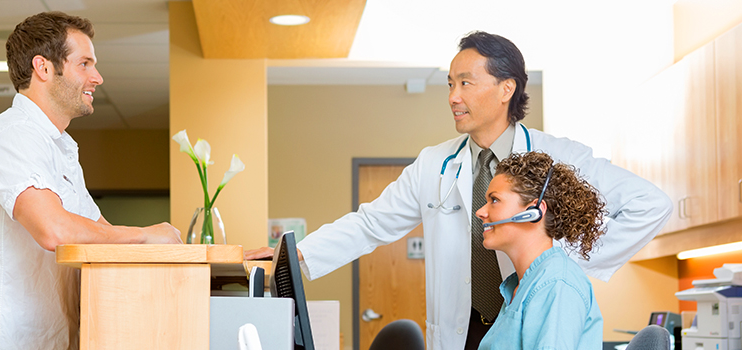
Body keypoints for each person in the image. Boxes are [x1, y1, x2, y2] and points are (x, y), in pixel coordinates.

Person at [245, 31, 671, 350]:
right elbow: (372, 223)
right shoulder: (435, 163)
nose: (452, 96)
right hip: (462, 330)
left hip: (531, 318)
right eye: (450, 83)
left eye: (465, 83)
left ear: (507, 89)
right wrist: (296, 254)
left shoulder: (557, 158)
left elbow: (651, 204)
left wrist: (560, 260)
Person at [0, 12, 182, 350]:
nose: (97, 77)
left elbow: (101, 235)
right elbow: (54, 230)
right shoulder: (13, 136)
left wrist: (207, 257)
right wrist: (145, 236)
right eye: (84, 64)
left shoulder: (58, 148)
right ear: (43, 68)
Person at [476, 151, 605, 349]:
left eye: (494, 200)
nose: (480, 212)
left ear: (533, 212)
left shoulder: (556, 285)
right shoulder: (522, 285)